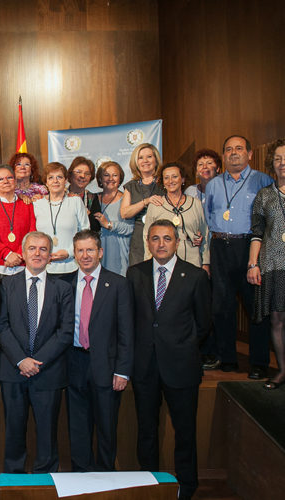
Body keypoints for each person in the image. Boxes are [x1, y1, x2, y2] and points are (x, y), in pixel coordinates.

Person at [127, 220, 210, 500]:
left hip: (181, 366)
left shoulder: (195, 276)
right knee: (146, 430)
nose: (160, 244)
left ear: (177, 242)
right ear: (148, 243)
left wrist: (180, 346)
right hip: (145, 366)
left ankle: (186, 486)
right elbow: (131, 320)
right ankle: (149, 484)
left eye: (167, 238)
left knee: (185, 431)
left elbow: (203, 324)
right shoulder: (135, 274)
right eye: (155, 239)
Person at [0, 231, 73, 473]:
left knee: (48, 431)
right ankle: (13, 480)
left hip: (47, 371)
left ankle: (45, 480)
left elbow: (65, 331)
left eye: (43, 249)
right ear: (23, 252)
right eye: (32, 248)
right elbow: (1, 326)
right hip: (13, 370)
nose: (37, 253)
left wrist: (37, 361)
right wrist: (21, 360)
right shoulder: (6, 284)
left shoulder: (63, 288)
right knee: (14, 430)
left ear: (50, 256)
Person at [205, 135, 273, 378]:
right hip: (220, 247)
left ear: (250, 154)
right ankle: (227, 358)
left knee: (256, 308)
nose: (234, 153)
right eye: (229, 149)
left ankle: (259, 363)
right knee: (221, 308)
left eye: (239, 149)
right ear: (223, 156)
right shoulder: (213, 184)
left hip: (250, 249)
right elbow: (207, 218)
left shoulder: (263, 181)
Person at [68, 230, 133, 472]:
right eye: (80, 250)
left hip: (106, 366)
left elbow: (126, 331)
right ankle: (81, 477)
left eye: (90, 250)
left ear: (100, 252)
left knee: (106, 426)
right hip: (74, 363)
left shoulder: (118, 284)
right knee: (78, 427)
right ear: (74, 254)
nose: (85, 256)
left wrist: (123, 371)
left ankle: (106, 477)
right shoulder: (64, 283)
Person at [247, 138, 285, 389]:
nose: (283, 163)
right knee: (277, 320)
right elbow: (257, 233)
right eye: (278, 159)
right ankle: (283, 371)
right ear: (272, 164)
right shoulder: (264, 195)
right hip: (272, 264)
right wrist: (253, 264)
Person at [144, 162, 209, 271]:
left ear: (182, 179)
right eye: (166, 178)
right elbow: (146, 235)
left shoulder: (195, 204)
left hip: (192, 260)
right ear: (163, 182)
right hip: (163, 262)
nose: (171, 181)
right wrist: (148, 261)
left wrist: (206, 263)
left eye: (174, 177)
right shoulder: (155, 205)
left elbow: (205, 233)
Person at [32, 162, 89, 280]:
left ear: (66, 181)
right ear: (46, 182)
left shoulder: (76, 202)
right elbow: (32, 235)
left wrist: (69, 252)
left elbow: (85, 234)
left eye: (59, 177)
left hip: (71, 267)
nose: (55, 181)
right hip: (44, 268)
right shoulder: (37, 204)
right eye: (51, 178)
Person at [0, 165, 37, 277]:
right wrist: (7, 254)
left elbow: (31, 233)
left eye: (9, 178)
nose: (5, 181)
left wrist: (19, 255)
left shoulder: (26, 204)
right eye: (0, 179)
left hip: (22, 266)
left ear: (15, 181)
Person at [120, 143, 165, 267]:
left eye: (149, 157)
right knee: (140, 278)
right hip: (139, 238)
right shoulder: (131, 185)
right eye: (140, 157)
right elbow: (124, 213)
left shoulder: (165, 181)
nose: (145, 161)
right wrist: (146, 201)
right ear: (136, 162)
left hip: (161, 235)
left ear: (156, 159)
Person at [93, 161, 133, 276]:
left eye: (115, 175)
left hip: (118, 255)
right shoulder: (93, 198)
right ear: (100, 179)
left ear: (120, 178)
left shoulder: (126, 199)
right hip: (97, 255)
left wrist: (109, 224)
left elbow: (130, 228)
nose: (110, 178)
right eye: (106, 175)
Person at [67, 156, 102, 232]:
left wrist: (85, 214)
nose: (82, 176)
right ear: (71, 174)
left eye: (87, 173)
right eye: (78, 172)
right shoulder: (60, 195)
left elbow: (96, 227)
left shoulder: (92, 198)